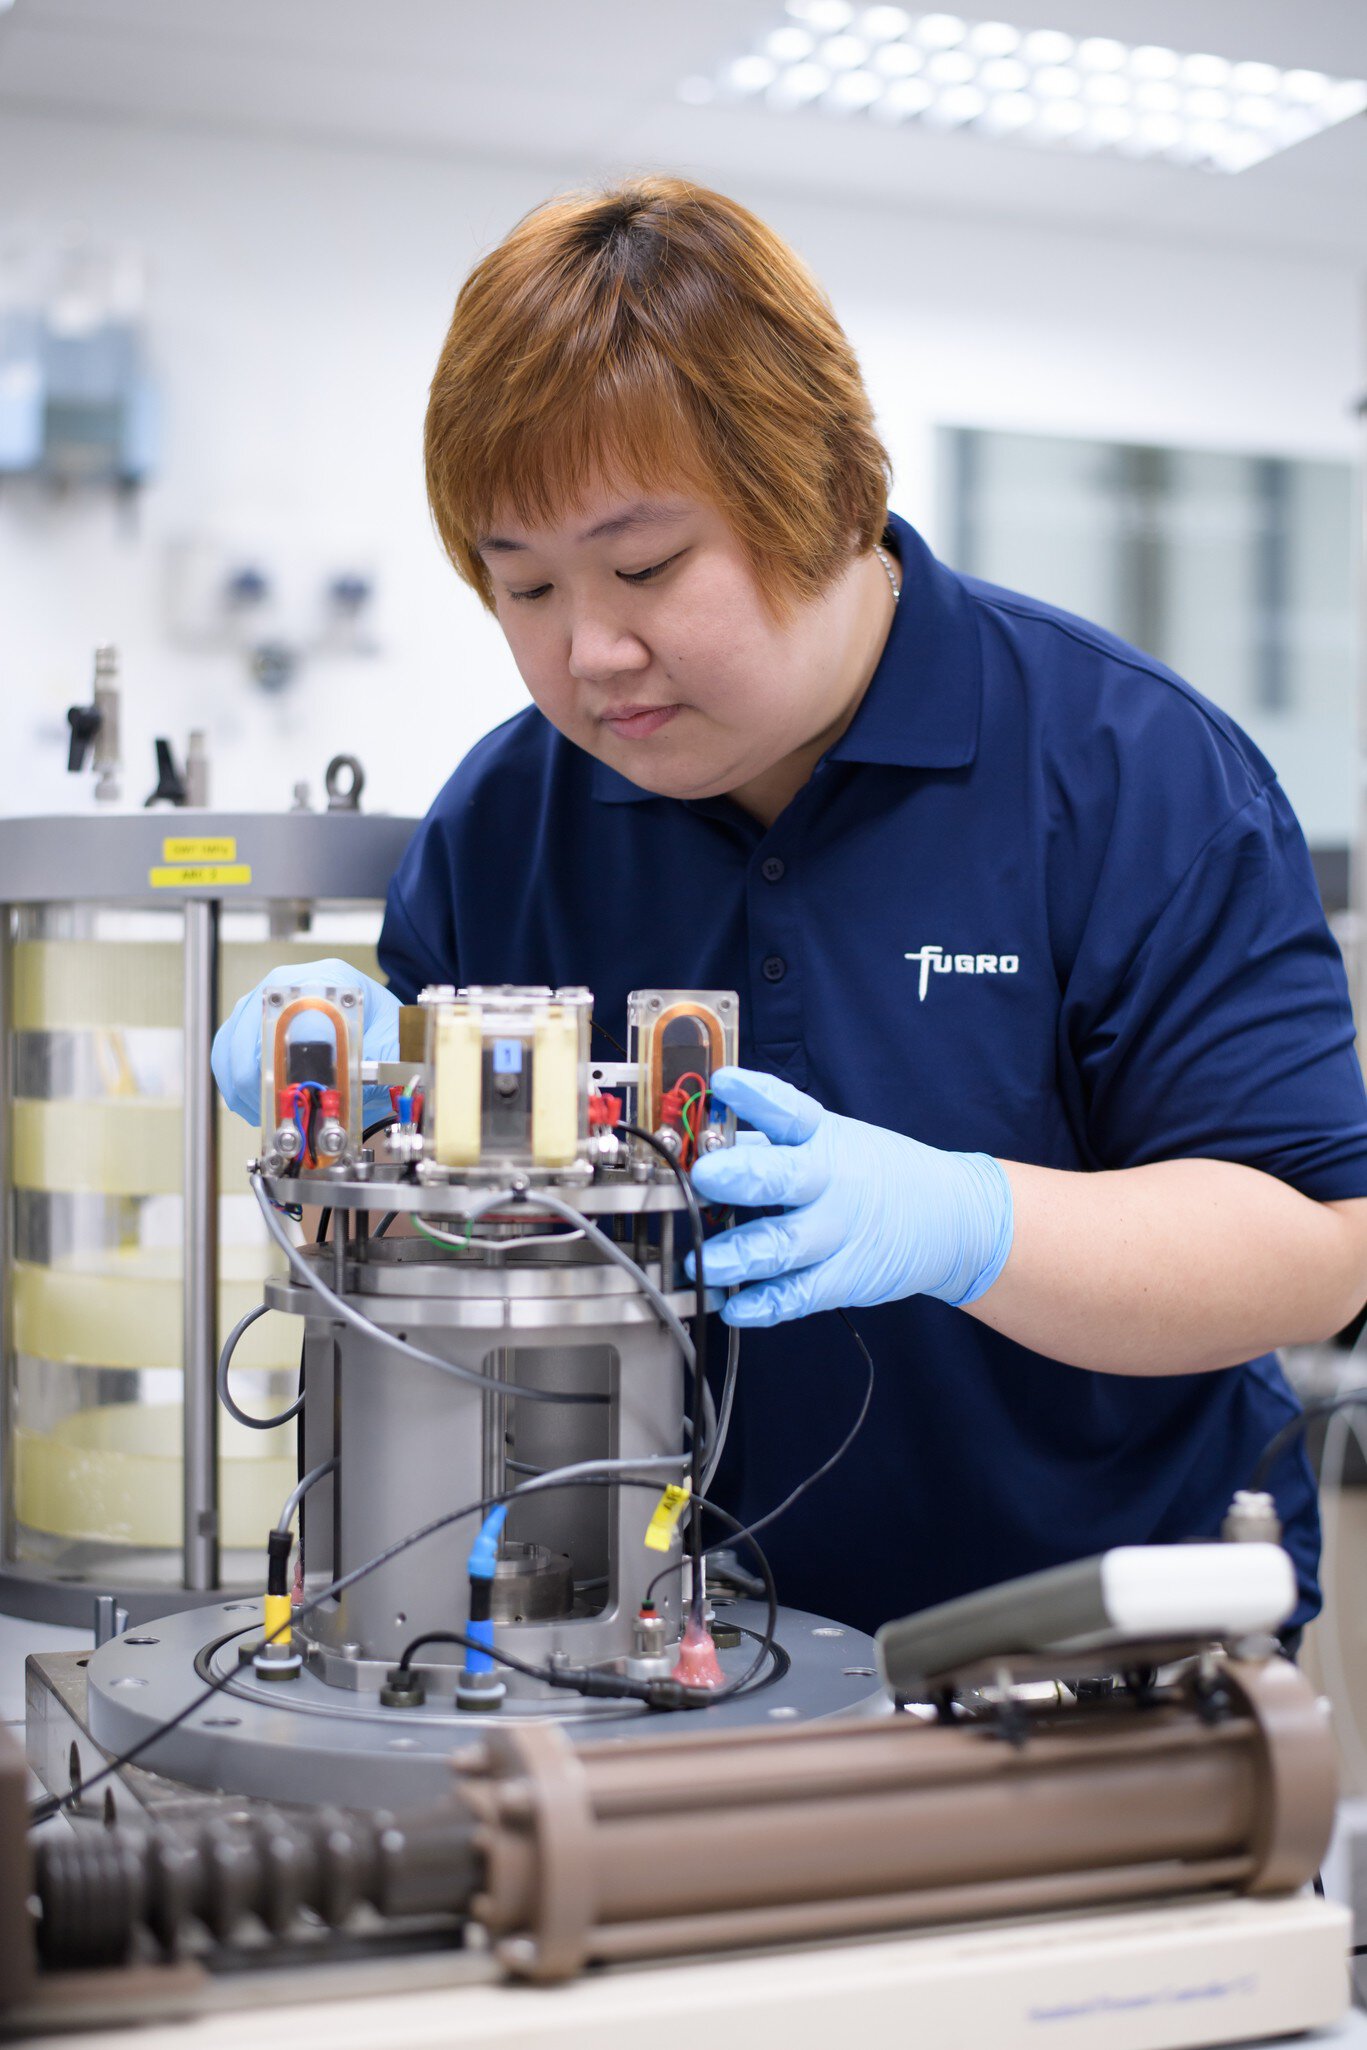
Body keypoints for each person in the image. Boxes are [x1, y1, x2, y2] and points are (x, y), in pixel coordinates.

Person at [215, 176, 1367, 1640]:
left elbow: (1313, 1244)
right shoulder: (511, 822)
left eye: (643, 566)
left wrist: (966, 1222)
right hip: (628, 1654)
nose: (592, 652)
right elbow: (441, 1284)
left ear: (822, 491)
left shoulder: (1129, 771)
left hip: (1097, 1651)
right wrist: (356, 1089)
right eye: (524, 589)